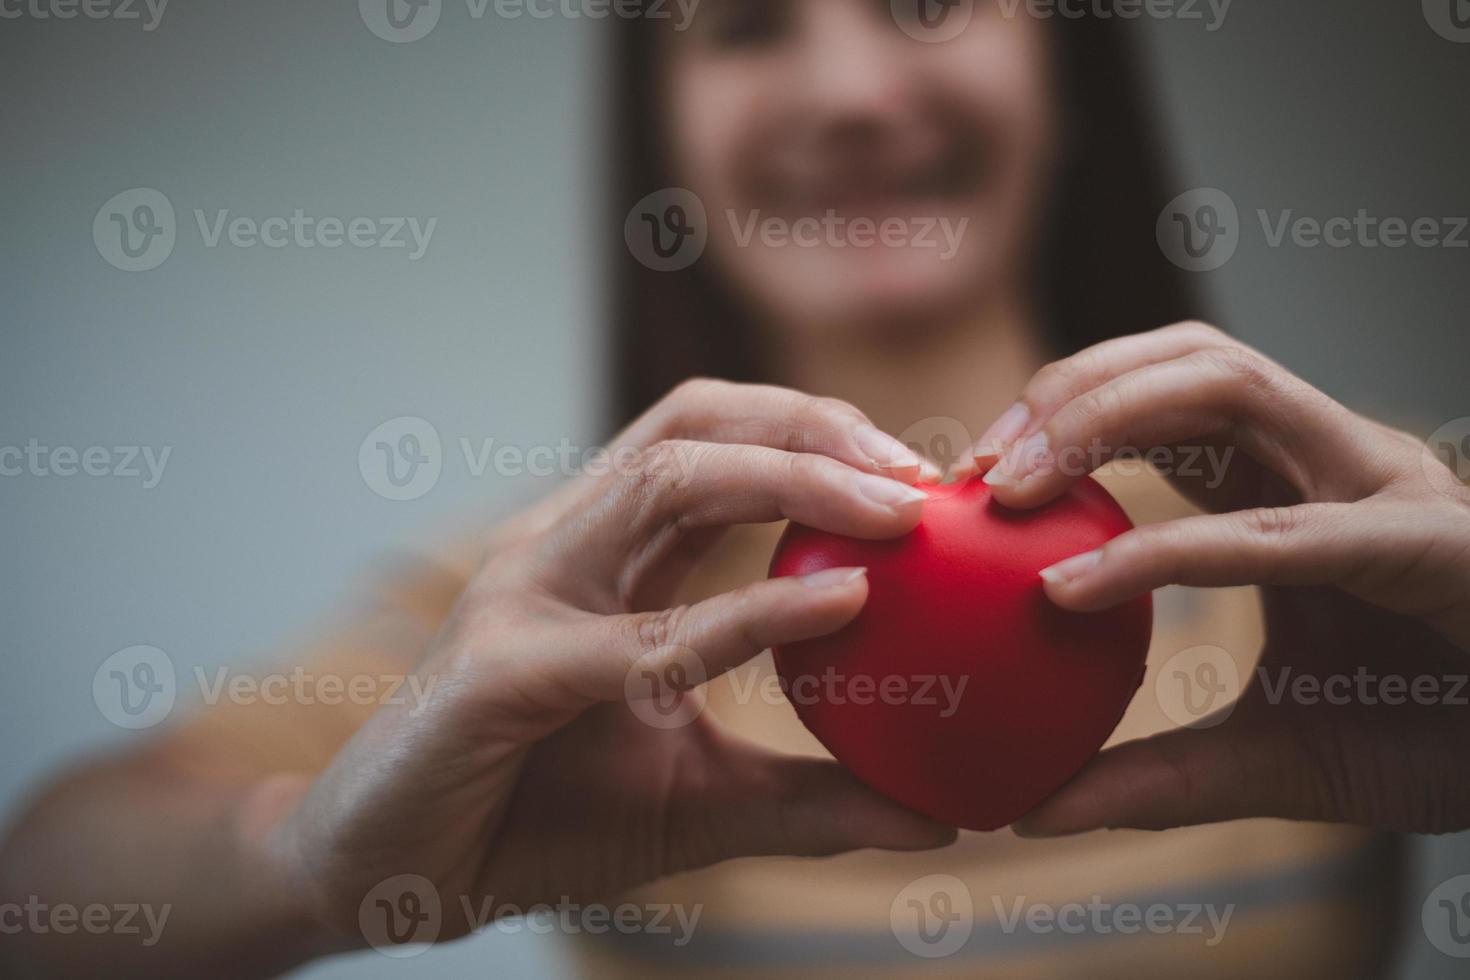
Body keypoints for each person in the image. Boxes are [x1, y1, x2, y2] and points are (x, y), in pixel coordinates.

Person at [4, 1, 1468, 976]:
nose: (847, 90)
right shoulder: (542, 620)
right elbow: (43, 898)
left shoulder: (1375, 550)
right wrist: (312, 861)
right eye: (749, 23)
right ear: (667, 136)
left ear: (1068, 67)